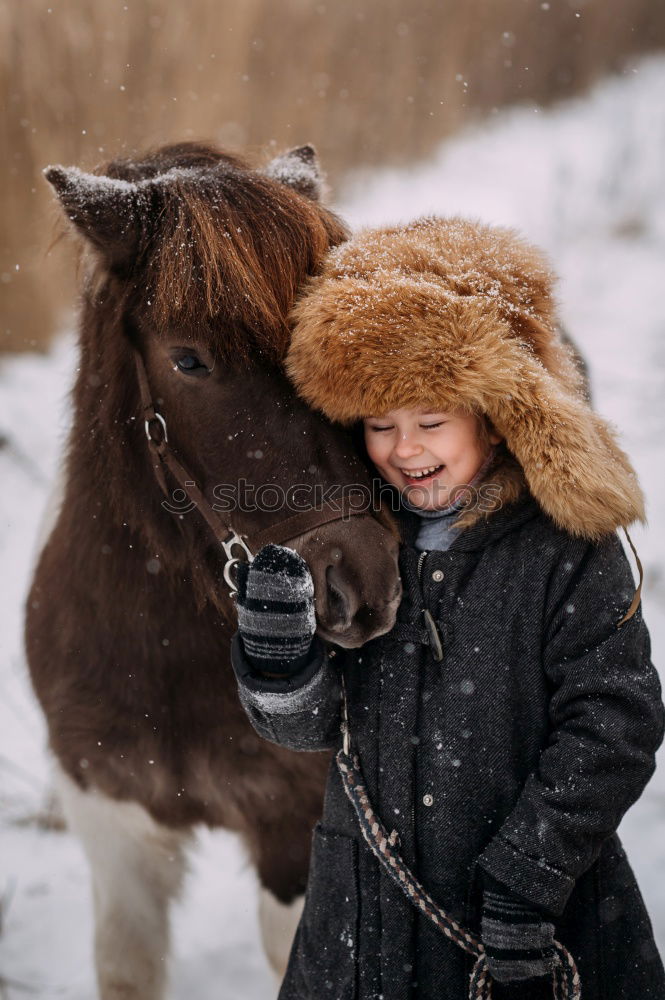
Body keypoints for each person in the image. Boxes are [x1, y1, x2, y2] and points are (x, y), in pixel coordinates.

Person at [230, 217, 665, 999]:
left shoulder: (562, 550)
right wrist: (278, 660)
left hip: (533, 919)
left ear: (496, 417)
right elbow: (315, 728)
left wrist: (527, 878)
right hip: (358, 924)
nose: (404, 449)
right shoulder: (362, 543)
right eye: (378, 425)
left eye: (431, 421)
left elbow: (615, 722)